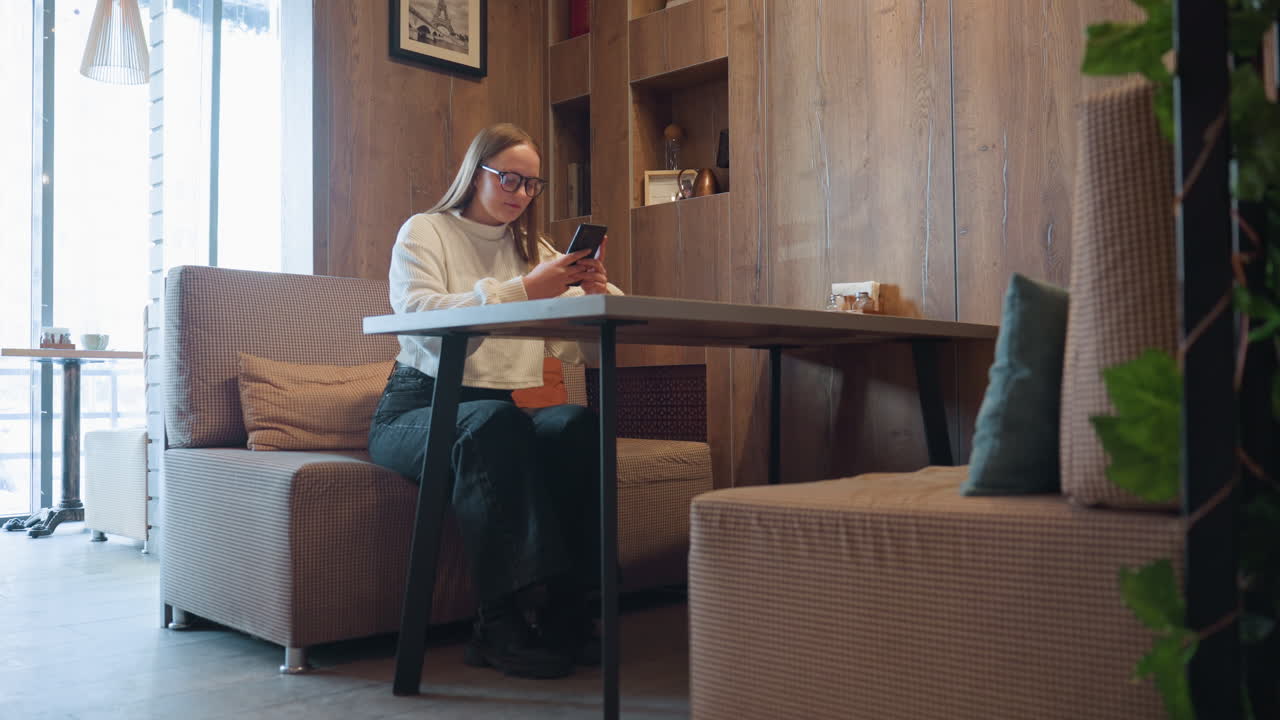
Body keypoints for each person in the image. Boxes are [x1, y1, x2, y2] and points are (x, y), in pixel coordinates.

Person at [368, 123, 621, 680]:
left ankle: (566, 613)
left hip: (498, 410)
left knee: (574, 424)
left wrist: (598, 291)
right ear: (474, 173)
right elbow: (419, 318)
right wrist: (525, 290)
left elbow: (579, 348)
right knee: (491, 423)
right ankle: (497, 620)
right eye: (508, 177)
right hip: (414, 409)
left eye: (532, 184)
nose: (520, 193)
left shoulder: (532, 249)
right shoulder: (425, 232)